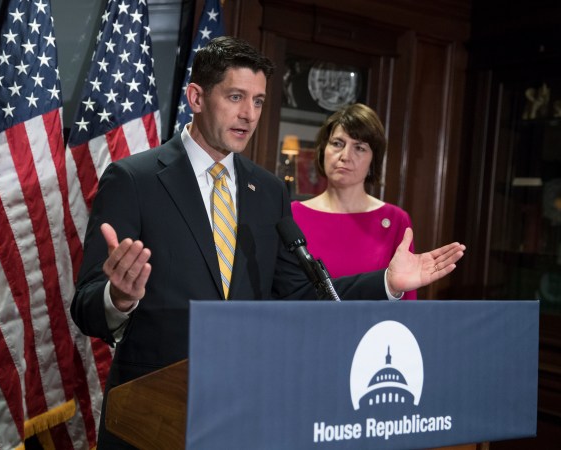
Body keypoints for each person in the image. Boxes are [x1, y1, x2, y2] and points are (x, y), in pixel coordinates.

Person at [70, 36, 465, 449]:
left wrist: (386, 282)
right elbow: (86, 308)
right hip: (150, 415)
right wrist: (118, 297)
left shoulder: (270, 191)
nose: (248, 114)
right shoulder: (134, 180)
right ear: (197, 97)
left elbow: (301, 292)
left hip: (243, 412)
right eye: (236, 96)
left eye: (258, 101)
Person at [292, 103, 417, 299]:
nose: (345, 156)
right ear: (323, 149)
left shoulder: (395, 220)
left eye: (359, 148)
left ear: (373, 161)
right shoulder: (292, 215)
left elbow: (407, 301)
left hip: (374, 328)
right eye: (337, 143)